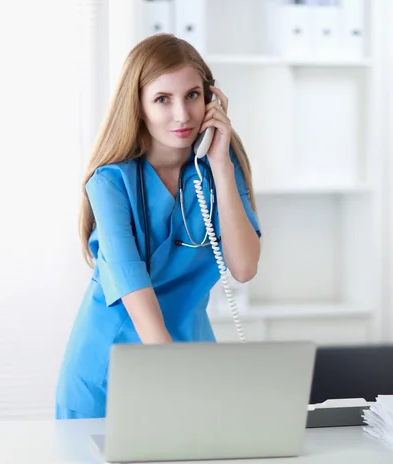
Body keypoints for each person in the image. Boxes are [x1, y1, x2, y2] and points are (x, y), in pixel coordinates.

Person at [55, 33, 261, 419]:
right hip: (113, 369)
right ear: (139, 107)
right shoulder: (109, 184)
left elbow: (245, 268)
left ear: (212, 99)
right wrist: (175, 381)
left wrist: (219, 164)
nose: (182, 115)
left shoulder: (219, 170)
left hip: (187, 353)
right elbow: (135, 292)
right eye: (162, 99)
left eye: (193, 95)